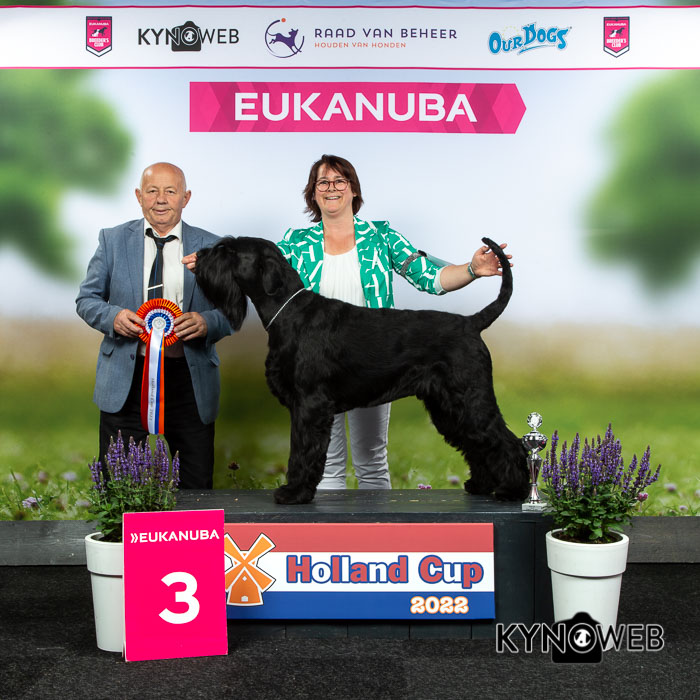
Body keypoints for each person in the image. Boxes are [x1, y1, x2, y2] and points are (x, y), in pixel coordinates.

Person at [277, 154, 512, 491]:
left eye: (340, 181)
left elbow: (429, 277)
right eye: (323, 182)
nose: (331, 188)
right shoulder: (294, 242)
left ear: (354, 190)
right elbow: (261, 271)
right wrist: (212, 257)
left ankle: (378, 525)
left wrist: (472, 269)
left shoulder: (381, 235)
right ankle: (327, 521)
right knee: (327, 464)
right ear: (312, 193)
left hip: (371, 357)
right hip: (318, 360)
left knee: (371, 459)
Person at [76, 162, 233, 488]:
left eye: (170, 191)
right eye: (152, 191)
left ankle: (190, 526)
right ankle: (121, 525)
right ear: (139, 196)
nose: (161, 199)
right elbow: (87, 299)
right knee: (118, 485)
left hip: (190, 380)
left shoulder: (214, 247)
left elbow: (233, 310)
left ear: (186, 198)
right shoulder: (112, 240)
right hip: (126, 376)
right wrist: (113, 317)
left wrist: (207, 322)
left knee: (196, 484)